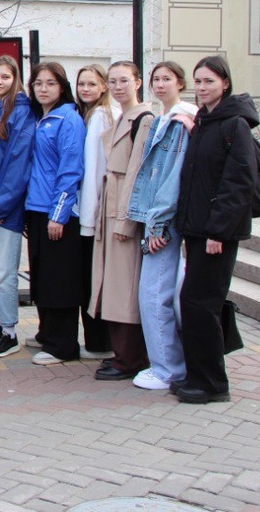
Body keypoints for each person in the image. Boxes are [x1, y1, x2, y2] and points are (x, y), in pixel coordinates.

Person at [173, 55, 257, 404]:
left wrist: (217, 233)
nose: (203, 88)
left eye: (209, 81)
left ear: (225, 83)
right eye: (199, 82)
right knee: (195, 303)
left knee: (199, 303)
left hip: (217, 233)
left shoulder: (233, 124)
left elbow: (237, 183)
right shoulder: (205, 122)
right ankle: (198, 375)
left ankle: (213, 384)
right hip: (196, 230)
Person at [126, 61, 196, 392]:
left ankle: (167, 367)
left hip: (163, 221)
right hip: (155, 216)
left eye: (167, 79)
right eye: (156, 79)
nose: (160, 84)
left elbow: (172, 178)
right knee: (163, 294)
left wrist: (158, 225)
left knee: (154, 295)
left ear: (180, 83)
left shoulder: (181, 120)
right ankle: (171, 363)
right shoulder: (163, 118)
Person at [87, 61, 155, 381]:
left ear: (137, 83)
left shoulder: (144, 118)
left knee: (123, 288)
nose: (116, 86)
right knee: (112, 286)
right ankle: (122, 354)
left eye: (123, 80)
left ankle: (131, 358)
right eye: (112, 81)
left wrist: (126, 221)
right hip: (109, 209)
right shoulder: (121, 117)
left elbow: (137, 174)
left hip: (123, 213)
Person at [24, 62, 86, 367]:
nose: (43, 89)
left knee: (59, 280)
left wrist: (58, 215)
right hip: (36, 209)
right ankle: (47, 333)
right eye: (38, 84)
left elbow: (70, 170)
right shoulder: (41, 118)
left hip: (56, 214)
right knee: (42, 277)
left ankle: (63, 344)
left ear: (62, 87)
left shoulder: (68, 120)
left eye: (50, 83)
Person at [0, 56, 35, 359]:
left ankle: (11, 332)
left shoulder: (21, 112)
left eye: (5, 77)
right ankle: (3, 323)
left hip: (6, 208)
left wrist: (3, 203)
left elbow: (18, 162)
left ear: (16, 80)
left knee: (3, 272)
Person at [74, 64, 115, 360]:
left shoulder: (100, 116)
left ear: (103, 87)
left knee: (92, 279)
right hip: (89, 210)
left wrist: (88, 218)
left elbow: (94, 170)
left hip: (92, 213)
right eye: (81, 84)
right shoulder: (88, 115)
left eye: (92, 84)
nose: (85, 89)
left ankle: (99, 342)